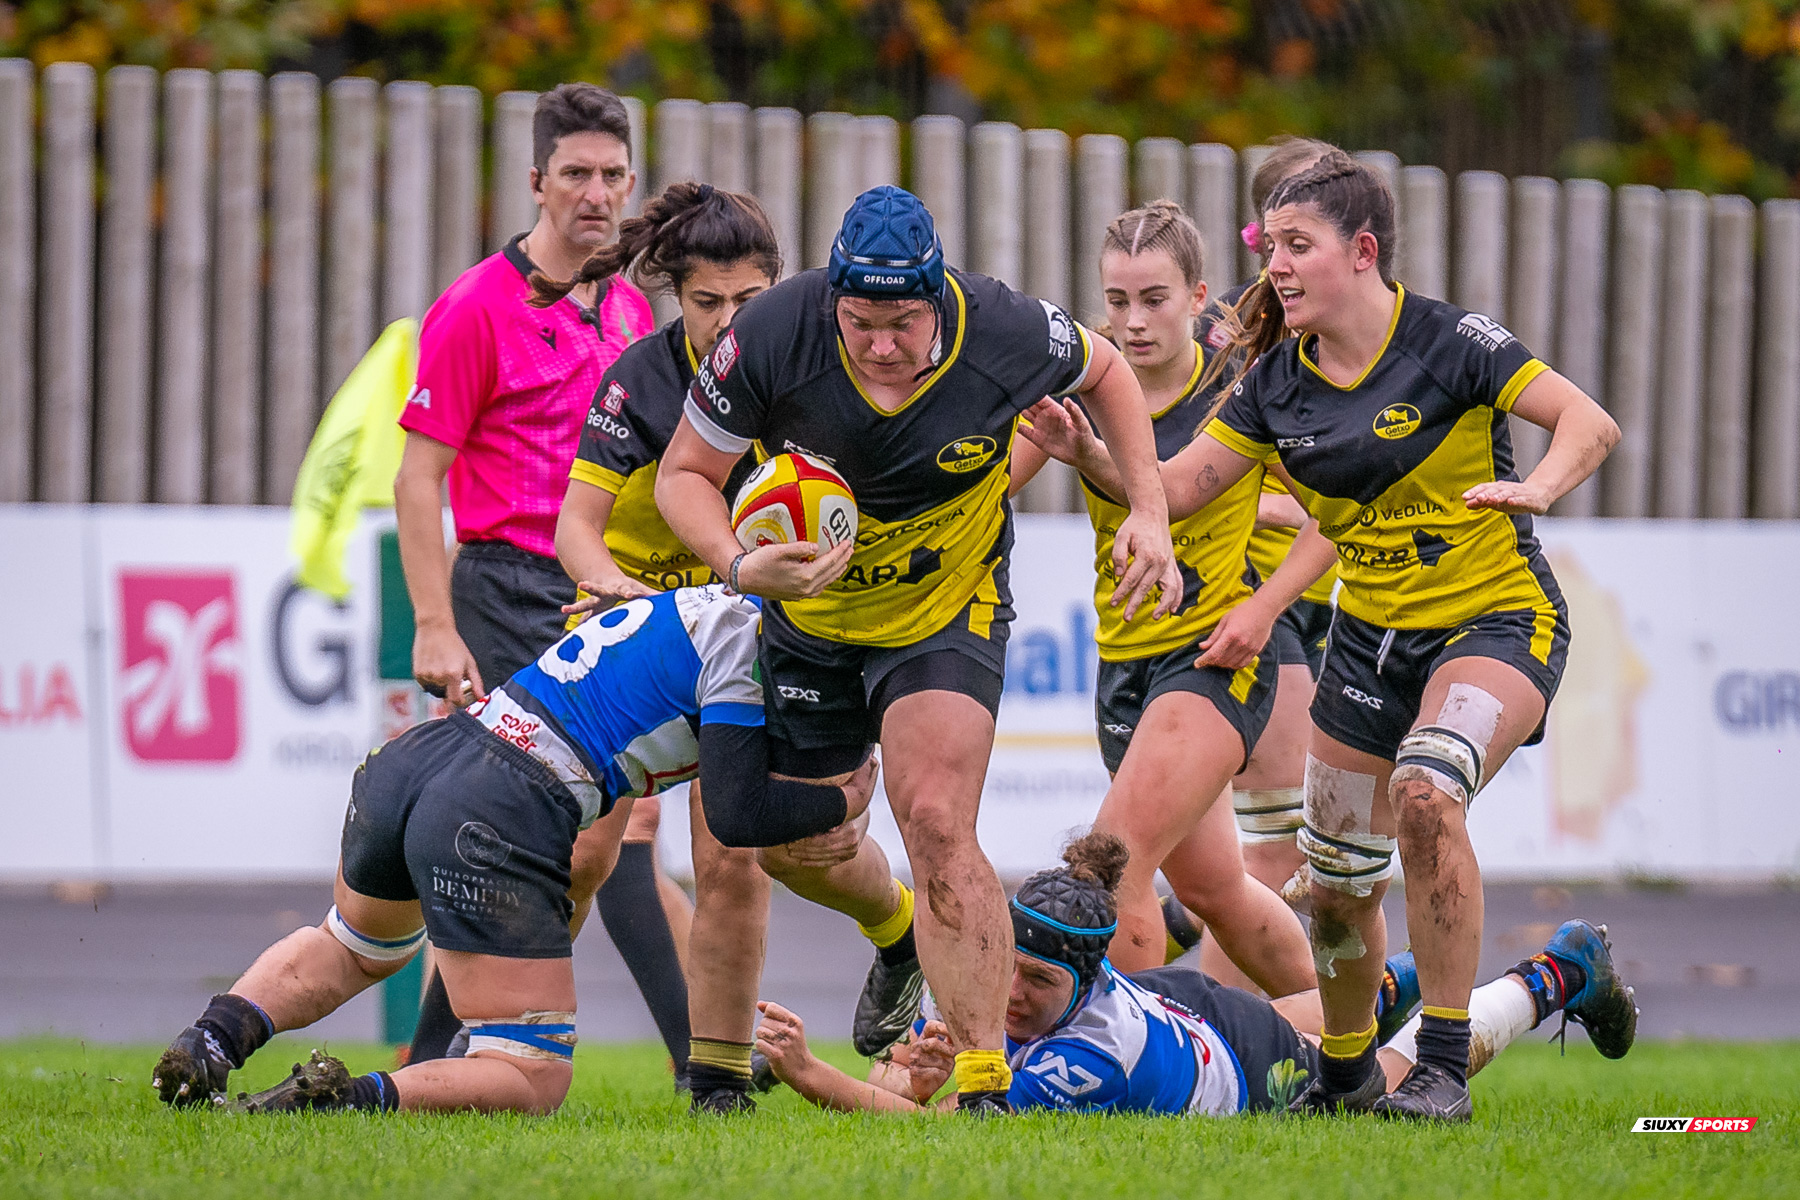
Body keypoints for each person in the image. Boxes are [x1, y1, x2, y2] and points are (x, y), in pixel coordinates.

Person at [1026, 149, 1621, 1119]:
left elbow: (1588, 423)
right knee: (1335, 882)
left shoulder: (1449, 342)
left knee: (1426, 790)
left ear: (1363, 252)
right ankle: (1345, 1070)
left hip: (1495, 618)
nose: (1281, 269)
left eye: (1298, 247)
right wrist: (1090, 452)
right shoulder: (1272, 388)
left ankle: (1434, 1066)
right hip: (1366, 644)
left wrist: (1541, 487)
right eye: (1274, 248)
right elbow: (1172, 492)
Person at [655, 185, 1180, 1111]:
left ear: (937, 298)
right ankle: (895, 929)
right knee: (795, 844)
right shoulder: (773, 332)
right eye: (862, 323)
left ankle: (983, 1081)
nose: (884, 345)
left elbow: (1108, 375)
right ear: (834, 303)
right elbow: (684, 476)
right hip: (809, 617)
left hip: (947, 603)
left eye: (904, 322)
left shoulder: (1003, 326)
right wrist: (739, 563)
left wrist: (1148, 510)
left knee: (935, 818)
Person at [150, 583, 875, 1116]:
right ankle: (340, 1101)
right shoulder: (743, 648)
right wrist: (842, 800)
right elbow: (737, 809)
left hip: (425, 758)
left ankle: (212, 1039)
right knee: (530, 1072)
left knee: (352, 945)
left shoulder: (690, 601)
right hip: (503, 800)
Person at [541, 180, 916, 1109]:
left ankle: (718, 1081)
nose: (723, 323)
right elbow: (574, 526)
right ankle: (507, 1040)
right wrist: (611, 589)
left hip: (760, 640)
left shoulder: (807, 373)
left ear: (779, 289)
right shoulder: (642, 377)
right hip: (647, 641)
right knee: (577, 854)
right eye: (705, 304)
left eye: (746, 303)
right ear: (678, 298)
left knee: (742, 854)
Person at [391, 83, 699, 1073]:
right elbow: (417, 476)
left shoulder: (625, 302)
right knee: (554, 833)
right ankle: (711, 1071)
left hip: (591, 589)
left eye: (613, 174)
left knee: (610, 833)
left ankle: (710, 1071)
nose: (597, 193)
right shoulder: (477, 307)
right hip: (499, 589)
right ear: (536, 182)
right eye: (576, 174)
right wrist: (435, 624)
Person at [754, 831, 1636, 1116]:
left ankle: (1562, 968)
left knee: (1389, 1096)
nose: (1013, 997)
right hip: (1181, 1003)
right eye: (1011, 973)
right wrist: (906, 1069)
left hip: (1243, 1054)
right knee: (1342, 1010)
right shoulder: (991, 985)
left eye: (1039, 986)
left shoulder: (1091, 1055)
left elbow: (943, 1131)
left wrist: (813, 1075)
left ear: (1085, 981)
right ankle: (1405, 975)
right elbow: (906, 1088)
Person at [1009, 200, 1314, 996]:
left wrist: (1264, 607)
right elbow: (989, 483)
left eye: (1154, 299)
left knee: (1113, 865)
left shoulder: (1240, 392)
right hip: (1124, 661)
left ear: (1197, 295)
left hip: (1212, 655)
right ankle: (1344, 1033)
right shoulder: (1082, 383)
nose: (1133, 322)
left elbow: (1336, 518)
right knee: (1215, 889)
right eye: (1116, 301)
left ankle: (1130, 1062)